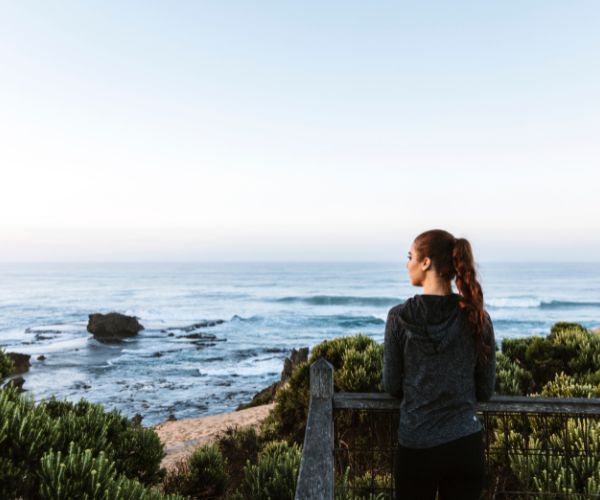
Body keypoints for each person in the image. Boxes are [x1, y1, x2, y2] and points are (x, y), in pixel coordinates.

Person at [383, 229, 496, 500]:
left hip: (417, 448)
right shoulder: (477, 317)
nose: (407, 263)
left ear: (426, 262)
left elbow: (391, 386)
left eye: (411, 256)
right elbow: (485, 390)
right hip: (465, 447)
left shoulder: (399, 318)